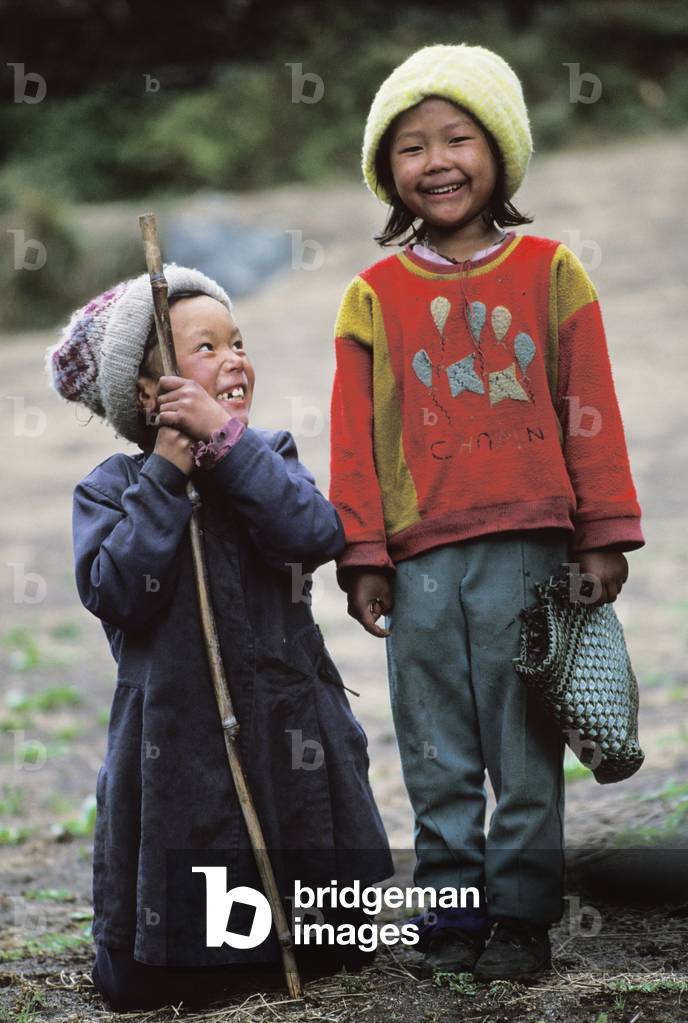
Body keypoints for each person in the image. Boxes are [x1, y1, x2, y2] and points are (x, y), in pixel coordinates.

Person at [328, 43, 644, 983]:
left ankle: (521, 917)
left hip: (532, 554)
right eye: (410, 146)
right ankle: (452, 910)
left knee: (523, 746)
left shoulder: (554, 274)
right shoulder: (371, 296)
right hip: (420, 562)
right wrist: (363, 552)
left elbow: (591, 406)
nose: (436, 161)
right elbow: (354, 437)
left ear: (501, 151)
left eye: (458, 137)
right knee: (434, 749)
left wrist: (605, 533)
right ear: (387, 170)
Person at [46, 266, 393, 1011]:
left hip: (285, 715)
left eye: (239, 341)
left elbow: (313, 533)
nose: (235, 358)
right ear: (150, 392)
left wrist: (227, 449)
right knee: (156, 951)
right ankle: (181, 962)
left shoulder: (267, 455)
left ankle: (298, 948)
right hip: (175, 731)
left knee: (321, 919)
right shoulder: (111, 490)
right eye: (206, 347)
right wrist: (168, 475)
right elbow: (116, 592)